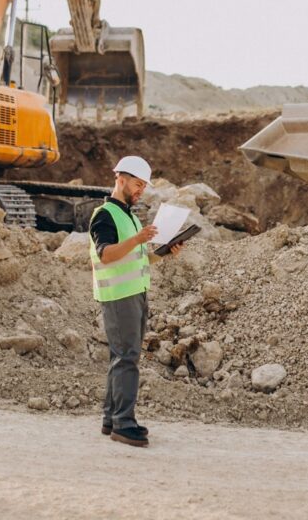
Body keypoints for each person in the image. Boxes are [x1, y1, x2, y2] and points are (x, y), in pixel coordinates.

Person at [88, 155, 181, 448]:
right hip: (118, 296)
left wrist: (164, 252)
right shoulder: (105, 214)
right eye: (138, 184)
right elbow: (106, 255)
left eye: (144, 186)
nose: (141, 190)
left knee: (123, 357)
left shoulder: (129, 215)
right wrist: (139, 240)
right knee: (127, 357)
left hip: (134, 293)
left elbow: (136, 256)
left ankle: (110, 418)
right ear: (121, 179)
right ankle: (124, 424)